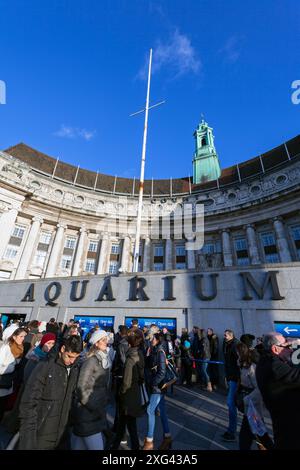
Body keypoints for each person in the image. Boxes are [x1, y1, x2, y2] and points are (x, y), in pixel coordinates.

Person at [18, 335, 82, 449]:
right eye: (69, 356)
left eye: (76, 357)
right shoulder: (44, 366)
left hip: (62, 436)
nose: (72, 361)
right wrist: (28, 443)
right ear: (62, 349)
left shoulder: (75, 368)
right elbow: (28, 404)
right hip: (41, 435)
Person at [256, 332, 300, 449]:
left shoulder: (266, 359)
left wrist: (289, 345)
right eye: (287, 347)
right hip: (291, 429)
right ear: (275, 349)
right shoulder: (275, 366)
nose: (291, 350)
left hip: (283, 423)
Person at [71, 330, 112, 450]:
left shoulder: (103, 359)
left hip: (95, 411)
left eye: (107, 340)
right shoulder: (92, 360)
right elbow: (81, 386)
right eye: (103, 340)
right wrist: (93, 406)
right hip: (88, 412)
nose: (107, 342)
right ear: (96, 343)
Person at [236, 342, 273, 450]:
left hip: (253, 405)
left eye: (237, 353)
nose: (236, 355)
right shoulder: (241, 364)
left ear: (241, 353)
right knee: (253, 433)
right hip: (250, 406)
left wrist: (247, 399)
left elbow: (259, 388)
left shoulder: (252, 368)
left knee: (256, 434)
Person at [111, 329, 145, 450]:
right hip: (135, 394)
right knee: (126, 424)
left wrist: (121, 393)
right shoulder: (140, 354)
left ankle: (119, 445)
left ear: (130, 343)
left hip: (127, 397)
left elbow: (126, 382)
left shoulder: (130, 359)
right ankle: (117, 444)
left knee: (128, 424)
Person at [143, 333, 171, 450]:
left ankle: (149, 441)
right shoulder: (154, 350)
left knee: (150, 410)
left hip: (157, 387)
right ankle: (167, 437)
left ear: (158, 340)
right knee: (162, 411)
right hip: (157, 386)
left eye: (153, 338)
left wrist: (153, 383)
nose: (152, 339)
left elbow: (162, 372)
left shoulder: (160, 352)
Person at [0, 327, 26, 421]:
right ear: (14, 337)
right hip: (2, 383)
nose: (23, 338)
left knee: (3, 408)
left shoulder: (20, 348)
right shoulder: (6, 347)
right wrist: (12, 367)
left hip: (9, 384)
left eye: (24, 336)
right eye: (21, 336)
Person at [222, 329, 240, 442]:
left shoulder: (235, 345)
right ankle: (231, 430)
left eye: (225, 335)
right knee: (233, 404)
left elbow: (239, 362)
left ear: (231, 335)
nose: (224, 337)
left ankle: (231, 432)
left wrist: (239, 379)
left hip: (235, 378)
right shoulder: (227, 344)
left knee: (231, 403)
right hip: (231, 377)